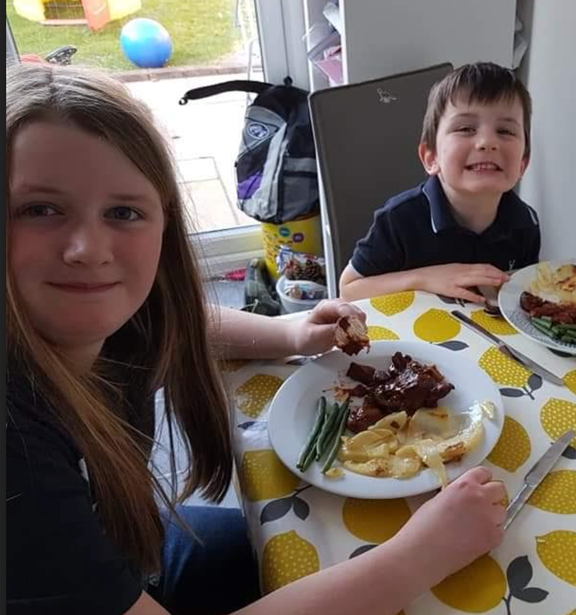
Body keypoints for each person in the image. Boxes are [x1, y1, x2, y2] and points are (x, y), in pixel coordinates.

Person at [6, 63, 507, 615]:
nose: (88, 249)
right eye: (40, 209)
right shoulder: (16, 456)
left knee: (290, 548)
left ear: (164, 225)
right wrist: (424, 554)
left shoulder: (108, 313)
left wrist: (290, 331)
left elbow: (178, 318)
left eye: (123, 211)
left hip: (129, 550)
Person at [339, 62, 540, 303]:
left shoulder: (525, 223)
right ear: (431, 158)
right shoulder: (398, 220)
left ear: (522, 164)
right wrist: (424, 278)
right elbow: (349, 289)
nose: (487, 141)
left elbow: (523, 299)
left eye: (505, 131)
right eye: (466, 128)